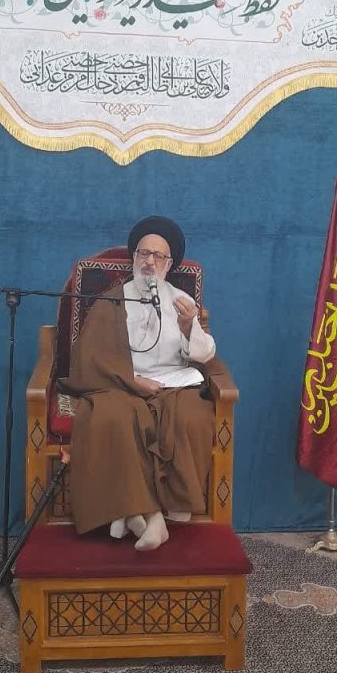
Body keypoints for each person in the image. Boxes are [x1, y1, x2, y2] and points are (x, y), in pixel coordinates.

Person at [63, 216, 219, 550]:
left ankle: (148, 512)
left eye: (157, 256)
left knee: (192, 417)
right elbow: (90, 356)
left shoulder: (182, 301)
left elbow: (205, 354)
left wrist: (189, 327)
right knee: (112, 416)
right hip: (119, 383)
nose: (149, 261)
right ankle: (148, 515)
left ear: (169, 264)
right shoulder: (111, 301)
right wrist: (132, 380)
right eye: (143, 253)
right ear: (133, 257)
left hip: (172, 386)